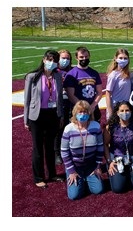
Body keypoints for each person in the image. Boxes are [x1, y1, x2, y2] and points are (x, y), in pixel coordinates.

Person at [24, 50, 66, 188]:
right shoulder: (32, 76)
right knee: (38, 148)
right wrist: (26, 120)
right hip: (37, 116)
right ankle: (39, 177)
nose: (51, 63)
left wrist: (60, 116)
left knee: (50, 147)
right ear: (43, 60)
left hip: (53, 114)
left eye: (54, 60)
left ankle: (52, 174)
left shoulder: (58, 77)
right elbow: (27, 100)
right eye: (49, 59)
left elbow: (59, 98)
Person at [61, 101, 106, 200]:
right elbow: (64, 152)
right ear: (75, 113)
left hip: (91, 166)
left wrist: (97, 166)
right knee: (74, 196)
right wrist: (72, 171)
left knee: (98, 190)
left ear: (89, 113)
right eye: (80, 112)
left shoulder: (96, 126)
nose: (83, 114)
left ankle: (86, 179)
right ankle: (79, 178)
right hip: (75, 167)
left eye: (85, 112)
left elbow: (100, 147)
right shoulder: (68, 129)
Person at [104, 101, 133, 193]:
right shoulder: (111, 126)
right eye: (122, 110)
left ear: (131, 111)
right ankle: (123, 176)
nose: (125, 113)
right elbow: (105, 144)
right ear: (117, 112)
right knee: (118, 189)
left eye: (127, 110)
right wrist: (110, 162)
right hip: (117, 160)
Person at [64, 46, 104, 122]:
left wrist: (92, 106)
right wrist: (83, 108)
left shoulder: (94, 73)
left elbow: (99, 92)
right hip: (78, 110)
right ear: (76, 58)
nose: (84, 59)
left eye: (86, 56)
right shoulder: (71, 74)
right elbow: (71, 95)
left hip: (93, 109)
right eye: (81, 57)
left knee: (94, 130)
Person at [103, 48, 133, 117]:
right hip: (115, 108)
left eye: (125, 58)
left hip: (125, 108)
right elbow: (108, 95)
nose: (123, 60)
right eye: (120, 58)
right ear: (116, 58)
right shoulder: (113, 75)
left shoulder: (129, 74)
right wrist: (110, 112)